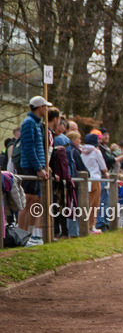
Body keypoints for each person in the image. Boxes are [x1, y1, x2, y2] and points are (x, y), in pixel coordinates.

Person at [17, 95, 50, 246]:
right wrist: (38, 167)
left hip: (37, 167)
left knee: (34, 201)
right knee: (28, 201)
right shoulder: (29, 123)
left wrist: (43, 165)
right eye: (45, 107)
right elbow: (30, 148)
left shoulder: (36, 124)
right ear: (39, 108)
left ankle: (29, 235)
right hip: (30, 167)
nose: (47, 110)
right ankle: (21, 234)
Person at [80, 133, 107, 234]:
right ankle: (91, 226)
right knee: (94, 204)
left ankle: (84, 225)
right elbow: (103, 166)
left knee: (86, 203)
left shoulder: (81, 150)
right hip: (95, 179)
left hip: (85, 179)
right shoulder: (96, 152)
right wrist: (106, 172)